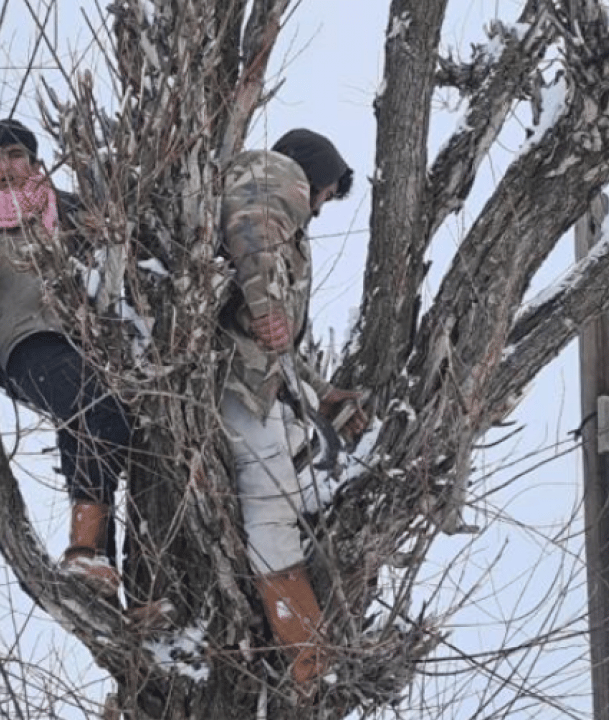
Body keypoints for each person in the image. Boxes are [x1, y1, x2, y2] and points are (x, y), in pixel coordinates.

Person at [0, 119, 138, 599]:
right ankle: (84, 550)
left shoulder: (64, 208)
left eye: (14, 155)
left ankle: (101, 572)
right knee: (95, 405)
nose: (4, 167)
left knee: (95, 427)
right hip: (24, 340)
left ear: (33, 160)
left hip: (84, 342)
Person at [218, 128, 370, 692]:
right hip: (238, 380)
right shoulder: (275, 174)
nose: (321, 208)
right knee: (271, 508)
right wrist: (265, 308)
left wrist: (321, 392)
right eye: (326, 194)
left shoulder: (266, 187)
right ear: (313, 174)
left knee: (298, 490)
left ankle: (302, 639)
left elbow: (280, 344)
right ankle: (306, 652)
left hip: (254, 375)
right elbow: (250, 234)